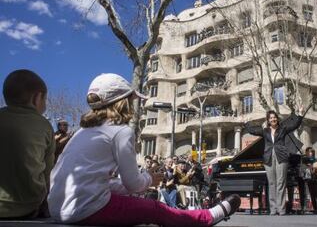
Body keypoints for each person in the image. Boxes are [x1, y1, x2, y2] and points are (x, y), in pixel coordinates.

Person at [47, 73, 240, 226]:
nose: (133, 105)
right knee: (155, 209)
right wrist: (149, 179)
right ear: (123, 101)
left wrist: (136, 185)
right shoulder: (120, 131)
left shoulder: (82, 132)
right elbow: (133, 184)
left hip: (57, 208)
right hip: (85, 209)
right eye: (131, 100)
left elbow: (95, 182)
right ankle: (206, 217)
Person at [0, 70, 55, 219]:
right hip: (28, 207)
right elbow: (48, 173)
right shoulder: (44, 126)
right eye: (45, 99)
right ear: (37, 98)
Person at [245, 109, 303, 215]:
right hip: (268, 157)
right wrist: (247, 123)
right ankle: (273, 209)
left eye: (274, 117)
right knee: (271, 183)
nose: (273, 119)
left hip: (281, 157)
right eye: (271, 118)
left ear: (277, 118)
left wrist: (299, 115)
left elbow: (294, 125)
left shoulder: (283, 129)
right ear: (268, 120)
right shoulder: (265, 131)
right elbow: (253, 131)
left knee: (281, 183)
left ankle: (281, 209)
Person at [303, 147, 317, 214]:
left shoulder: (316, 160)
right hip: (309, 179)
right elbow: (304, 168)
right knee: (312, 194)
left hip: (315, 179)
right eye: (308, 152)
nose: (310, 153)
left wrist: (314, 168)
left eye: (311, 152)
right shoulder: (305, 160)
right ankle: (315, 208)